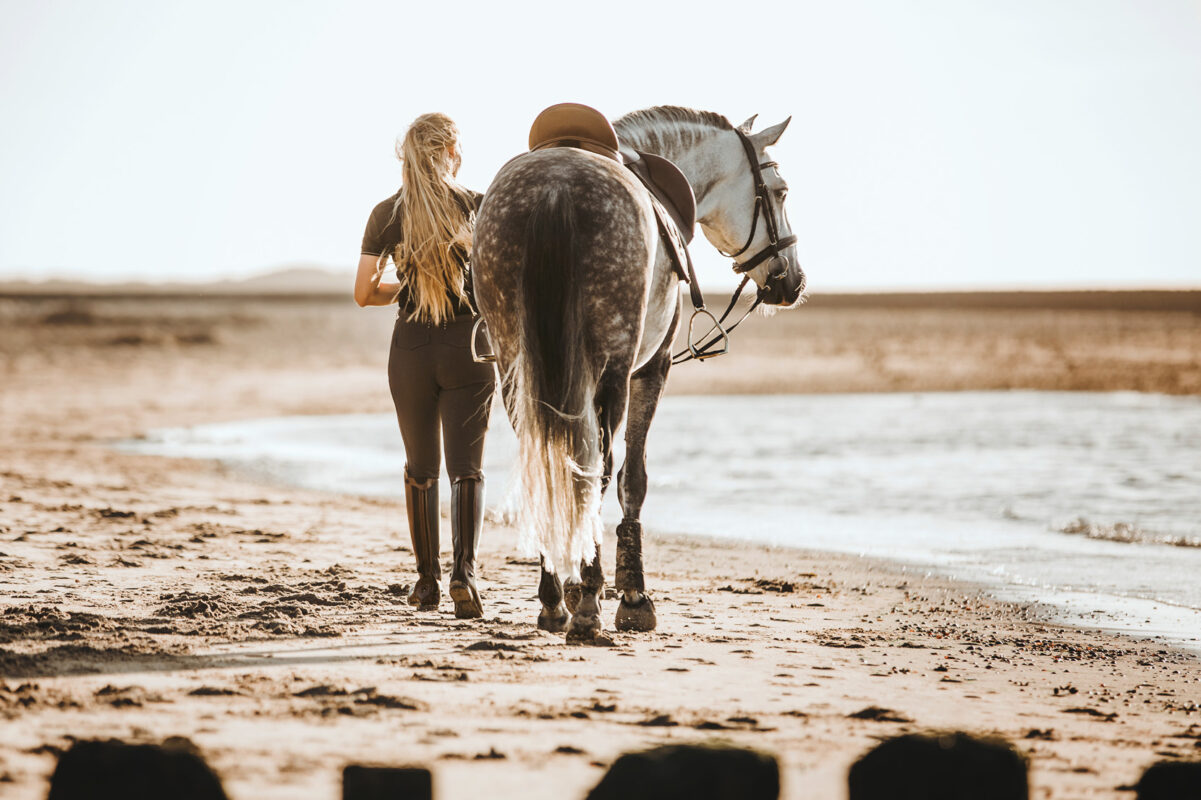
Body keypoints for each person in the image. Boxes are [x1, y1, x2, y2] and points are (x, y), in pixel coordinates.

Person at [353, 112, 494, 619]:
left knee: (420, 470)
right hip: (469, 351)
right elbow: (496, 286)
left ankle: (427, 582)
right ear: (451, 152)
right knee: (467, 470)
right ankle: (465, 576)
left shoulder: (386, 212)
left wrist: (411, 286)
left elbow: (364, 293)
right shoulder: (478, 207)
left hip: (410, 350)